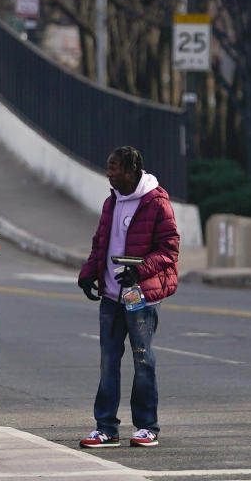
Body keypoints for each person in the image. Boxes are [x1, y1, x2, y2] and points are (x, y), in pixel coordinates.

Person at [76, 146, 179, 449]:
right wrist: (87, 273)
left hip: (141, 296)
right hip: (111, 295)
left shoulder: (156, 202)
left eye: (115, 167)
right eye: (109, 167)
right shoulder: (112, 202)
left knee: (143, 359)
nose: (109, 173)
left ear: (132, 170)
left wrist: (140, 271)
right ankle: (106, 428)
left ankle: (147, 427)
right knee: (108, 362)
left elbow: (169, 248)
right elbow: (100, 243)